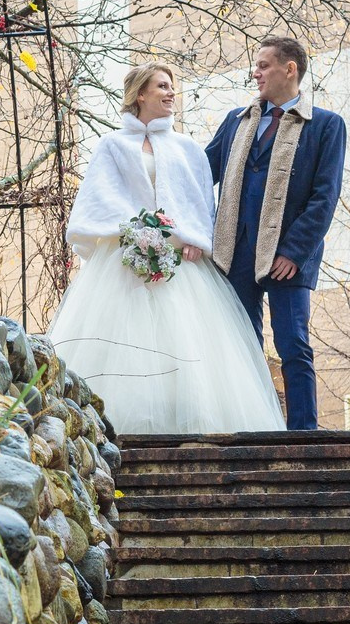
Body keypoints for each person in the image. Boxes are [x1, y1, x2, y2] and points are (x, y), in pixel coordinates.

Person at [47, 63, 286, 435]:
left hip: (181, 265)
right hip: (124, 259)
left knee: (191, 346)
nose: (171, 93)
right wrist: (136, 232)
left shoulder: (186, 147)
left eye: (172, 86)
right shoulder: (112, 145)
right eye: (162, 86)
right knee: (123, 341)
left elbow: (198, 200)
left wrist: (193, 238)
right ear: (140, 94)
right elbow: (101, 197)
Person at [204, 36, 347, 431]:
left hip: (289, 259)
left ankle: (304, 433)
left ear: (290, 69)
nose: (256, 72)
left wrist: (294, 251)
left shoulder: (326, 125)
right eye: (256, 65)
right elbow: (201, 174)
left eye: (264, 65)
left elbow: (325, 196)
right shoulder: (237, 121)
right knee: (242, 345)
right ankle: (254, 424)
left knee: (293, 345)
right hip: (234, 252)